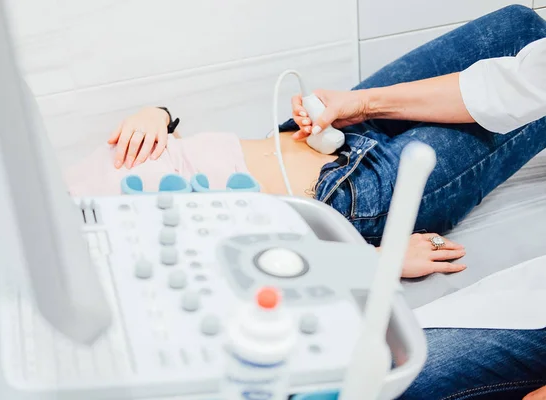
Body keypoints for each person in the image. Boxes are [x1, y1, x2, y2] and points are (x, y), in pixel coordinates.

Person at [75, 4, 546, 399]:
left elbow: (159, 149)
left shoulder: (63, 197)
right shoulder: (118, 283)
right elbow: (234, 269)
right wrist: (376, 260)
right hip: (353, 192)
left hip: (305, 134)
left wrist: (155, 115)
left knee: (521, 27)